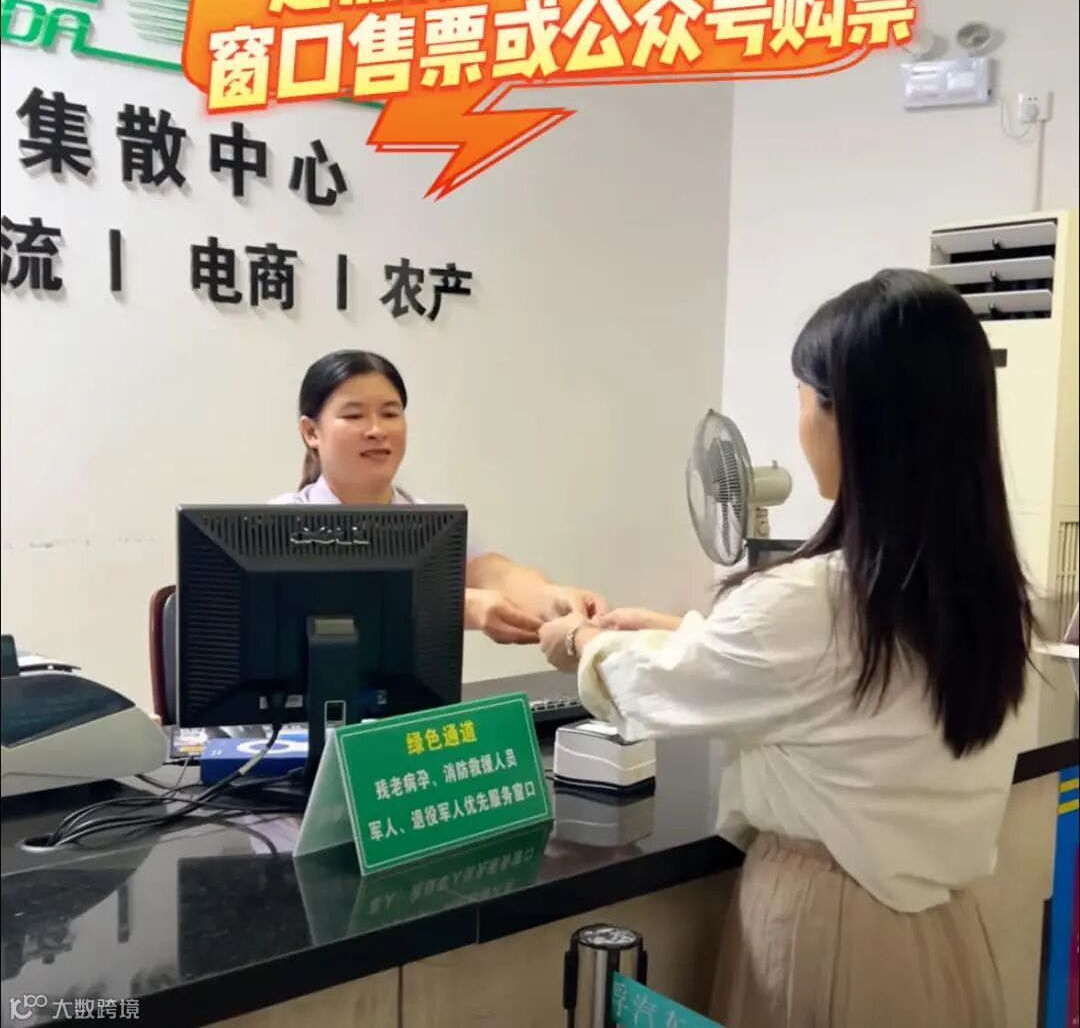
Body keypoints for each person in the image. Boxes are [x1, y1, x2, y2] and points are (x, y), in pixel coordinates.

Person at [539, 270, 1032, 1028]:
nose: (800, 423)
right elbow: (825, 685)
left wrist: (579, 641)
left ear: (850, 418)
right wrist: (682, 631)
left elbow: (665, 688)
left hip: (829, 930)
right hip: (943, 938)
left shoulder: (811, 601)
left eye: (804, 399)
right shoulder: (980, 592)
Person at [272, 349, 608, 643]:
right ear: (311, 432)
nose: (377, 430)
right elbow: (328, 602)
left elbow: (494, 574)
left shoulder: (433, 524)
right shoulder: (278, 523)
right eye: (354, 415)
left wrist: (553, 598)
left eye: (390, 414)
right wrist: (459, 605)